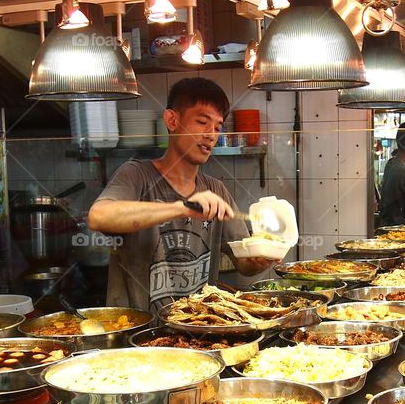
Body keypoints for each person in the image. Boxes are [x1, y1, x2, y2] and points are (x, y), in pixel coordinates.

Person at [88, 78, 273, 312]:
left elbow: (243, 264)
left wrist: (260, 260)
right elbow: (98, 216)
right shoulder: (135, 175)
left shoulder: (216, 190)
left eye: (217, 127)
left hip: (197, 333)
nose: (211, 135)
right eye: (202, 122)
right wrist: (182, 207)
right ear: (172, 120)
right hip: (139, 335)